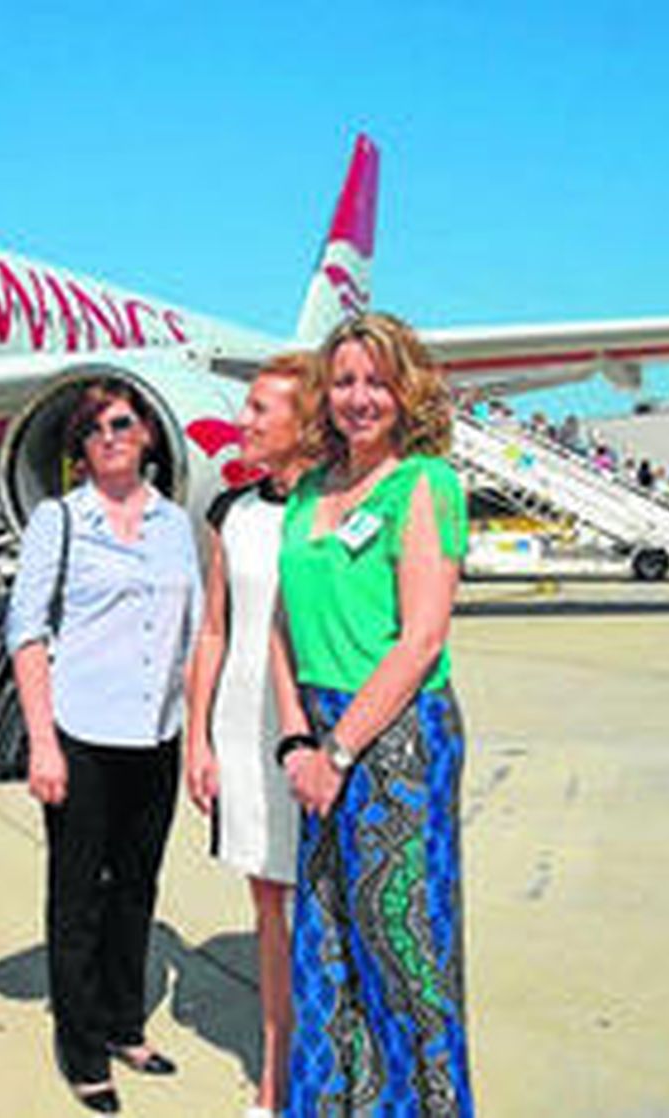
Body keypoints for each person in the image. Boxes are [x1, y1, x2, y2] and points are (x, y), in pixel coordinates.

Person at [270, 311, 473, 1115]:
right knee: (322, 944)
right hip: (318, 734)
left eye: (377, 381)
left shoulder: (425, 484)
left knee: (402, 949)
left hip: (394, 739)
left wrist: (340, 752)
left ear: (407, 388)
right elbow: (282, 629)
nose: (359, 398)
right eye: (345, 380)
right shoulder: (310, 490)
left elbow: (421, 638)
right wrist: (295, 739)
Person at [8, 379, 203, 1114]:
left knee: (137, 890)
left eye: (123, 423)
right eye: (93, 430)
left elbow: (194, 634)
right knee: (77, 898)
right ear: (81, 451)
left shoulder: (174, 525)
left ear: (149, 433)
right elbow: (26, 633)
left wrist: (200, 734)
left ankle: (124, 1022)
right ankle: (82, 1046)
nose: (111, 435)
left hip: (156, 736)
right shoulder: (61, 522)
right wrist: (43, 744)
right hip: (82, 737)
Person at [184, 352, 315, 1118]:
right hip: (244, 726)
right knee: (268, 903)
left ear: (305, 422)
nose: (244, 421)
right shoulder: (232, 513)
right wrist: (196, 741)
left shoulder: (336, 506)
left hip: (317, 727)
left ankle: (333, 1066)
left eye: (262, 410)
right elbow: (212, 631)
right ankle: (274, 1077)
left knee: (327, 908)